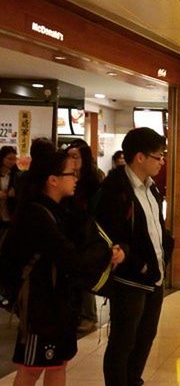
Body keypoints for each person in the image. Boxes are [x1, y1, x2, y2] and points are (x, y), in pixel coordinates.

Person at [8, 150, 122, 386]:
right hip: (39, 304)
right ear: (53, 180)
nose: (76, 179)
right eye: (71, 174)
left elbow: (84, 240)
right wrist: (102, 255)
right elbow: (67, 255)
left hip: (61, 300)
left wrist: (108, 250)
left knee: (58, 363)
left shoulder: (63, 209)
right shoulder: (36, 213)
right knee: (30, 369)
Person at [96, 128, 174, 386]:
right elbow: (111, 236)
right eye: (158, 156)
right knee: (123, 339)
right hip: (130, 278)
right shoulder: (115, 190)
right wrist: (138, 263)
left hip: (153, 276)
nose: (161, 162)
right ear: (138, 157)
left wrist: (166, 249)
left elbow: (155, 225)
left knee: (145, 335)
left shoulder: (150, 187)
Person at [65, 139, 104, 334]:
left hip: (87, 235)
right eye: (69, 156)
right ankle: (76, 313)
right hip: (71, 234)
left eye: (75, 156)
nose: (71, 160)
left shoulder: (93, 180)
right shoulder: (65, 177)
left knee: (86, 276)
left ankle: (89, 315)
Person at [0, 145, 19, 239]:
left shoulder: (16, 175)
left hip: (10, 212)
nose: (12, 161)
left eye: (14, 158)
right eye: (9, 158)